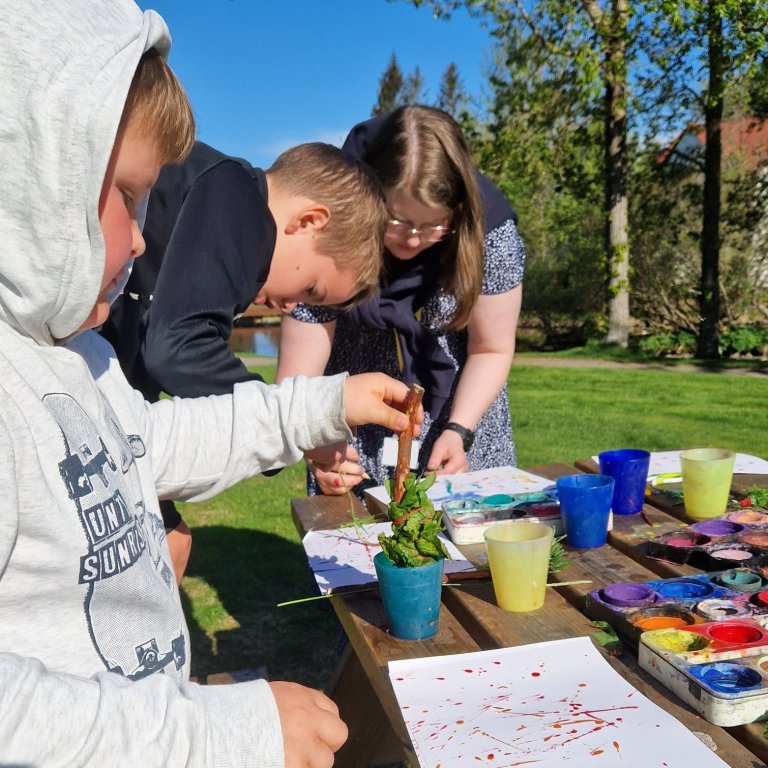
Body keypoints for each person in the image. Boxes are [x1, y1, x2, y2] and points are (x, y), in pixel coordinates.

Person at [0, 3, 421, 765]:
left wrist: (322, 406)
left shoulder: (83, 356)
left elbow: (151, 443)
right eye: (127, 196)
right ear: (34, 169)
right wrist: (214, 735)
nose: (142, 237)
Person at [99, 139, 386, 582]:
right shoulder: (238, 194)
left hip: (103, 396)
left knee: (170, 544)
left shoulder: (222, 211)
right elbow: (179, 347)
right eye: (311, 288)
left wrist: (296, 433)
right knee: (161, 547)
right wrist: (299, 424)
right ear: (309, 221)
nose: (292, 306)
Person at [277, 105, 525, 498]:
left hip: (464, 431)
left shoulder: (488, 230)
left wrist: (459, 430)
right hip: (352, 442)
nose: (412, 239)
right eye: (397, 220)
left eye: (433, 225)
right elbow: (297, 381)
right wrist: (317, 445)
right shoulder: (331, 224)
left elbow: (491, 348)